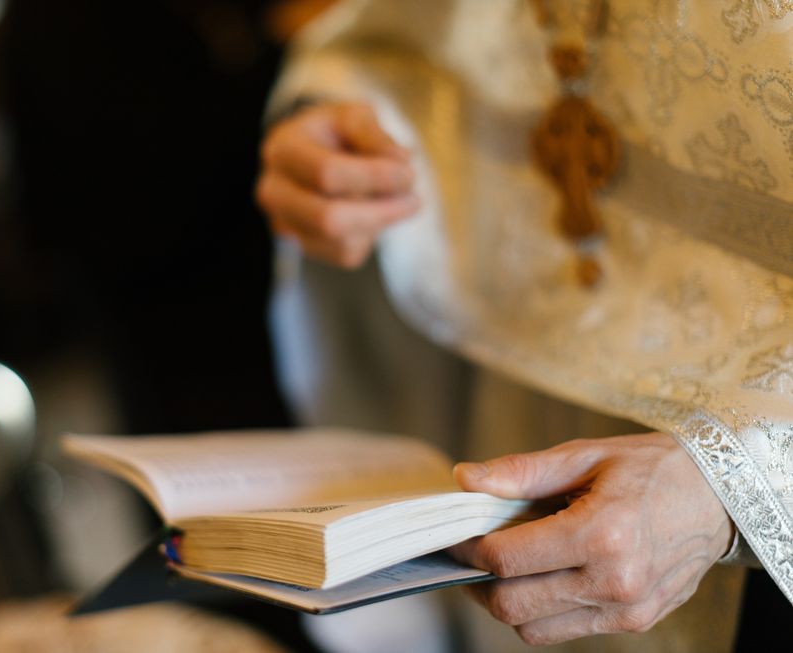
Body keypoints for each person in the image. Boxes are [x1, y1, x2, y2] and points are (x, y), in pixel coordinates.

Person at [257, 1, 793, 650]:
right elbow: (402, 38)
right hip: (514, 375)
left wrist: (742, 482)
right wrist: (338, 132)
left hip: (753, 510)